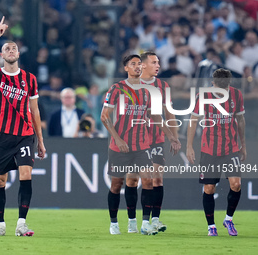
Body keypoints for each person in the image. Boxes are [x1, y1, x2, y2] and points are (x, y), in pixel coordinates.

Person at [0, 16, 46, 237]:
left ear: (18, 54)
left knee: (26, 174)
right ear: (2, 54)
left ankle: (21, 224)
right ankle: (0, 225)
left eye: (14, 48)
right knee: (0, 180)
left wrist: (40, 141)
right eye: (6, 48)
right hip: (1, 135)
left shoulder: (30, 79)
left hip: (25, 135)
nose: (10, 50)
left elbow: (35, 111)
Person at [101, 54, 180, 235]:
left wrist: (171, 136)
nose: (137, 67)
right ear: (126, 68)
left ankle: (146, 223)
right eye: (133, 64)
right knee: (117, 184)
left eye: (139, 64)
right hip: (119, 145)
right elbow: (104, 116)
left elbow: (155, 116)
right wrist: (118, 139)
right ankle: (115, 223)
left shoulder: (146, 92)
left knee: (148, 180)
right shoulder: (116, 89)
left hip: (142, 145)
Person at [186, 68, 246, 236]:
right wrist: (189, 146)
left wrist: (244, 145)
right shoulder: (203, 97)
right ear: (213, 84)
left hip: (231, 148)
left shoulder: (236, 95)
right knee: (209, 188)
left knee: (236, 184)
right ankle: (211, 226)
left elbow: (240, 120)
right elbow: (193, 120)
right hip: (209, 149)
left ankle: (228, 219)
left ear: (229, 84)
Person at [125, 51, 179, 234]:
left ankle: (153, 220)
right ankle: (132, 221)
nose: (158, 66)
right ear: (143, 65)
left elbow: (168, 112)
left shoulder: (163, 86)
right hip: (135, 139)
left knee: (156, 178)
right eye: (154, 62)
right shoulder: (133, 85)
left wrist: (174, 136)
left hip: (156, 138)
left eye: (159, 62)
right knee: (133, 181)